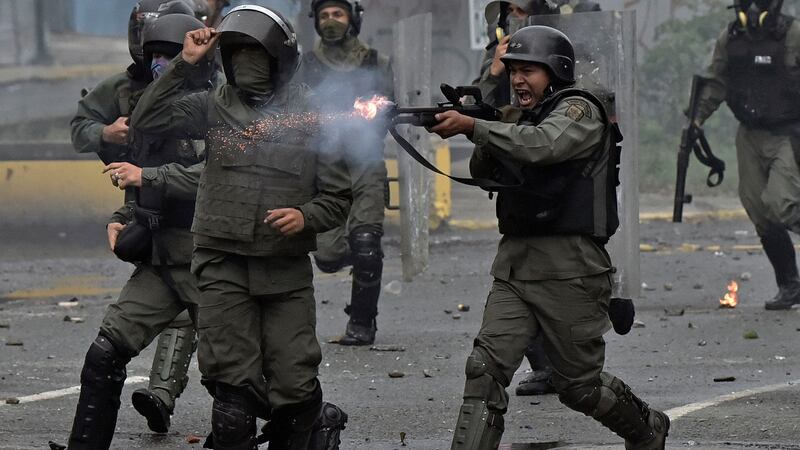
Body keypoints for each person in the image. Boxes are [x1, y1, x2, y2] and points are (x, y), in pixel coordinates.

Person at [428, 26, 669, 449]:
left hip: (570, 269)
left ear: (554, 71)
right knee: (484, 369)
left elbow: (543, 146)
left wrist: (475, 127)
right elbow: (487, 173)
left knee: (579, 387)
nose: (518, 80)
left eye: (529, 71)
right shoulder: (517, 118)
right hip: (516, 266)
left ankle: (647, 428)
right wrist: (480, 122)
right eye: (513, 71)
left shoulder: (580, 109)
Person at [130, 6, 352, 448]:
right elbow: (146, 119)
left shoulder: (313, 115)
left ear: (279, 58)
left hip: (284, 272)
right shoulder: (212, 106)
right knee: (232, 398)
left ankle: (316, 420)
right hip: (222, 264)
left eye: (257, 53)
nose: (246, 63)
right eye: (236, 53)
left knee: (294, 393)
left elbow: (338, 196)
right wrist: (186, 62)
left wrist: (306, 216)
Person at [51, 13, 213, 450]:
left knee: (236, 379)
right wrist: (124, 216)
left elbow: (211, 176)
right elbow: (140, 171)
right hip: (159, 262)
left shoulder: (218, 104)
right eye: (155, 55)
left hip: (210, 262)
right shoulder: (147, 106)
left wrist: (149, 178)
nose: (162, 63)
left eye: (172, 55)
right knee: (104, 353)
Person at [296, 0, 394, 346]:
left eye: (337, 13)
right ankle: (356, 250)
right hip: (324, 169)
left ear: (353, 18)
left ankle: (362, 324)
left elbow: (388, 106)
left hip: (365, 163)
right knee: (327, 256)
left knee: (366, 245)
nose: (331, 21)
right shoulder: (306, 64)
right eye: (324, 15)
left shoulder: (375, 62)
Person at [477, 0, 560, 397]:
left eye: (523, 10)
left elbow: (550, 136)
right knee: (514, 280)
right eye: (509, 9)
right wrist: (495, 72)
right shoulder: (500, 60)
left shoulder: (564, 50)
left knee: (560, 285)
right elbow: (480, 110)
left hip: (561, 182)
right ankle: (545, 365)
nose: (514, 18)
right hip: (520, 184)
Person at [694, 0, 800, 310]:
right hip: (750, 134)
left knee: (781, 205)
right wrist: (696, 118)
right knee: (759, 211)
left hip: (788, 132)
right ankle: (790, 285)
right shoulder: (731, 38)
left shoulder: (793, 34)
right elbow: (716, 82)